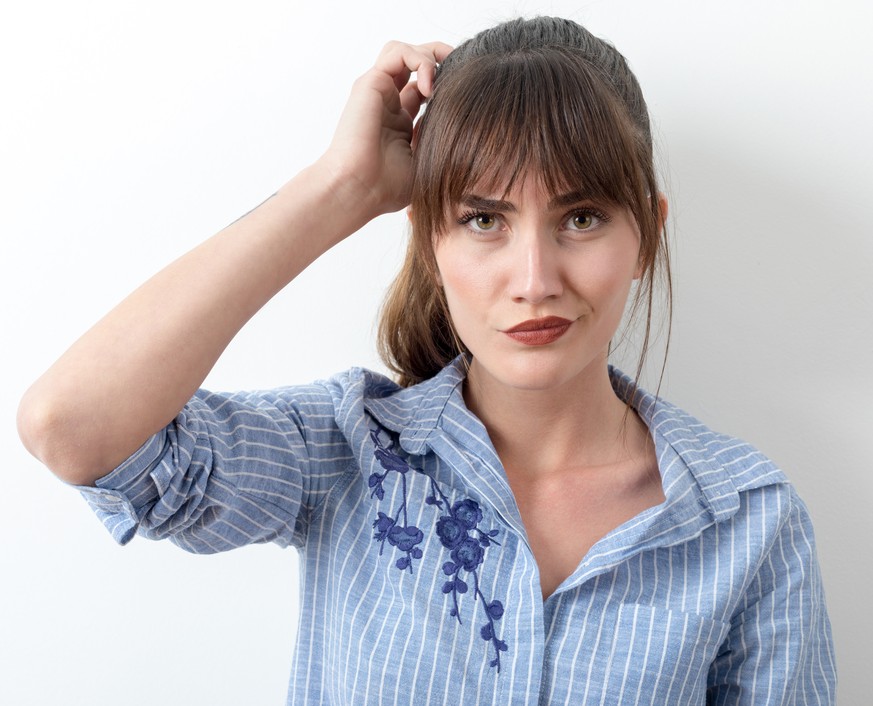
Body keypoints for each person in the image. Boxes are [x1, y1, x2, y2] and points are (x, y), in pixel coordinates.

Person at [17, 15, 836, 705]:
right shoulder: (342, 451)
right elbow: (72, 427)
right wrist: (341, 186)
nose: (533, 280)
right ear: (429, 240)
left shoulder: (747, 523)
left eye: (580, 218)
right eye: (483, 220)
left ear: (646, 236)